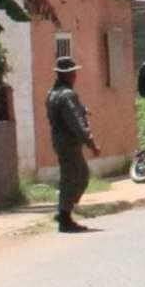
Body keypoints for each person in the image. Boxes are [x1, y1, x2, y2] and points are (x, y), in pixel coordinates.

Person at [46, 55, 98, 233]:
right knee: (78, 176)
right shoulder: (67, 94)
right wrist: (91, 143)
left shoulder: (53, 93)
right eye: (73, 73)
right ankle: (64, 215)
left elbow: (70, 111)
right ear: (68, 75)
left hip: (59, 141)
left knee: (70, 175)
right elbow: (75, 121)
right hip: (68, 142)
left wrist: (83, 109)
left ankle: (64, 211)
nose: (75, 76)